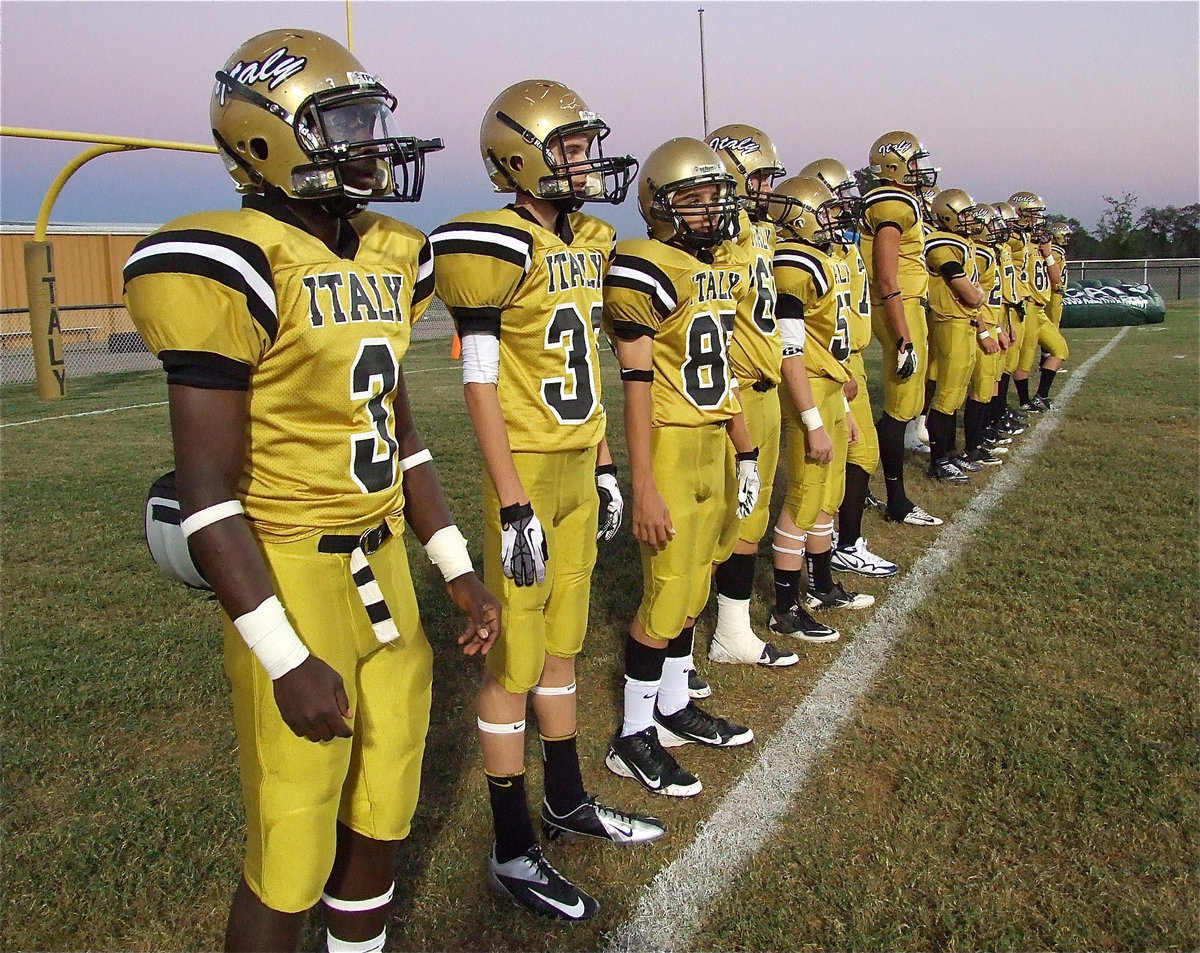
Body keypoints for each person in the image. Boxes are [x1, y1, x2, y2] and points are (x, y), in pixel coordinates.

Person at [128, 30, 499, 953]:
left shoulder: (385, 253)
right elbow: (208, 495)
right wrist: (284, 657)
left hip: (383, 568)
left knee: (384, 800)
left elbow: (402, 438)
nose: (372, 143)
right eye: (346, 123)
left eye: (373, 119)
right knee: (291, 842)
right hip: (288, 568)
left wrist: (451, 563)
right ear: (266, 139)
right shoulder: (236, 260)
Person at [430, 79, 663, 922]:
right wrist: (512, 500)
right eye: (567, 146)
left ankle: (564, 799)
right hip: (525, 469)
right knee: (513, 662)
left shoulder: (593, 237)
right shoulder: (492, 243)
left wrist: (604, 461)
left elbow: (589, 370)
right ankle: (510, 843)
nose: (583, 161)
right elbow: (479, 383)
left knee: (561, 645)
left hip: (573, 460)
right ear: (520, 153)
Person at [602, 137, 760, 799]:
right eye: (693, 198)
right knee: (667, 594)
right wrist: (645, 484)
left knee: (695, 585)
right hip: (669, 439)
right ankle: (632, 735)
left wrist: (744, 446)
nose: (710, 210)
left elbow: (722, 369)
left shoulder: (717, 267)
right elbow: (636, 385)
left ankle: (672, 703)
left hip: (711, 440)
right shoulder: (644, 265)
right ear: (661, 207)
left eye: (715, 196)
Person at [703, 123, 803, 670]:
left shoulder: (760, 230)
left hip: (764, 390)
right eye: (761, 176)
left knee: (751, 515)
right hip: (729, 390)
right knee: (713, 522)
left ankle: (733, 631)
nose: (769, 188)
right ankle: (675, 657)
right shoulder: (713, 229)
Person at [762, 175, 874, 621]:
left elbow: (824, 346)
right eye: (824, 211)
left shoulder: (820, 259)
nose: (832, 220)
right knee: (804, 498)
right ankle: (785, 607)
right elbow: (791, 356)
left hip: (829, 387)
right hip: (805, 389)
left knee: (828, 494)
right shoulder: (793, 265)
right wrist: (812, 422)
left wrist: (842, 410)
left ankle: (821, 586)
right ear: (800, 215)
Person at [800, 158, 900, 579]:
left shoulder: (844, 246)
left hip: (849, 358)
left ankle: (839, 542)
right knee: (847, 458)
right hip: (828, 364)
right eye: (834, 200)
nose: (843, 207)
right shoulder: (808, 255)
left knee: (858, 454)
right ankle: (839, 544)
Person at [859, 132, 944, 527]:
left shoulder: (901, 201)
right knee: (899, 408)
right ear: (894, 166)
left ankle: (863, 485)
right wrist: (903, 337)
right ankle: (897, 499)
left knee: (907, 406)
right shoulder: (892, 203)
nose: (920, 170)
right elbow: (887, 276)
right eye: (914, 162)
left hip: (904, 304)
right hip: (899, 307)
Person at [922, 188, 988, 481]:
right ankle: (939, 460)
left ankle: (949, 453)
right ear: (948, 214)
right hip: (949, 322)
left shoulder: (962, 242)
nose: (971, 219)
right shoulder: (940, 244)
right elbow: (969, 293)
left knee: (956, 394)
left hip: (964, 323)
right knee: (947, 395)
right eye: (966, 214)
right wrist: (977, 296)